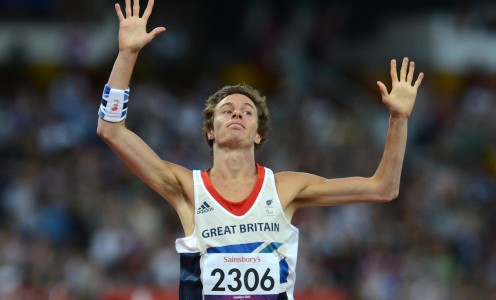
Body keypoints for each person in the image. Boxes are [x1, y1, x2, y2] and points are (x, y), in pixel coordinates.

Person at [96, 0, 424, 299]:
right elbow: (110, 130)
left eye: (247, 111)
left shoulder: (285, 187)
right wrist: (127, 55)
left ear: (258, 134)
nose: (237, 112)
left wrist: (398, 118)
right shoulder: (188, 189)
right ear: (210, 131)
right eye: (227, 110)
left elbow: (384, 188)